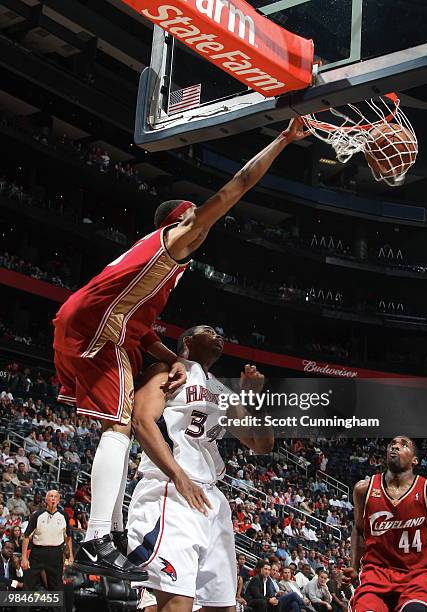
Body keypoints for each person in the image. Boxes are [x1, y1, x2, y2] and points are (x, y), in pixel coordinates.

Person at [53, 116, 307, 580]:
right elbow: (237, 187)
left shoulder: (154, 274)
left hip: (97, 327)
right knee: (119, 427)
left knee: (117, 429)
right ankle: (95, 537)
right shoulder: (174, 240)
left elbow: (145, 334)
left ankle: (107, 536)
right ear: (182, 221)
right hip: (96, 328)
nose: (204, 230)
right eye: (197, 220)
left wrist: (178, 362)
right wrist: (283, 140)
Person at [127, 324, 274, 612]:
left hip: (210, 498)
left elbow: (261, 444)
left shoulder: (220, 389)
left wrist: (256, 402)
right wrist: (179, 477)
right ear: (189, 340)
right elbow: (142, 420)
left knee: (222, 606)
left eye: (220, 332)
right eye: (210, 330)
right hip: (171, 490)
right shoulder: (167, 369)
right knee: (176, 601)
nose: (219, 334)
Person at [345, 436, 427, 611]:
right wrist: (353, 566)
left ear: (415, 460)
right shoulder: (363, 489)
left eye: (404, 445)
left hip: (417, 576)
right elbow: (359, 531)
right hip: (375, 576)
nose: (395, 447)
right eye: (392, 444)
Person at [21, 490, 73, 606]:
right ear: (46, 500)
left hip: (55, 554)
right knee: (28, 586)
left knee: (57, 588)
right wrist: (24, 557)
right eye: (50, 496)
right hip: (37, 553)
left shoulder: (63, 515)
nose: (53, 499)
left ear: (59, 500)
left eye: (55, 497)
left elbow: (68, 537)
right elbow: (26, 537)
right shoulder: (37, 515)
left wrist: (71, 556)